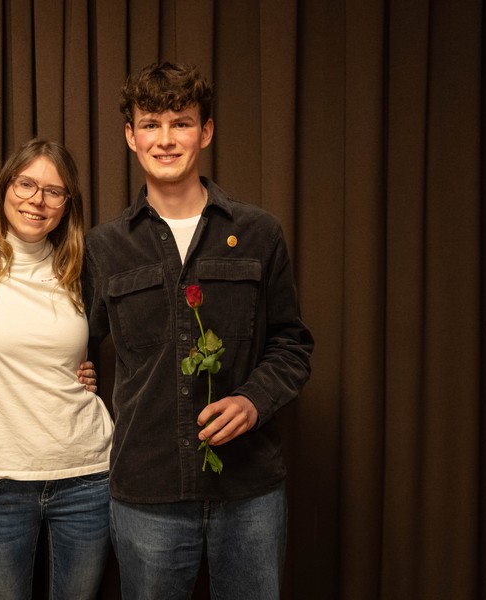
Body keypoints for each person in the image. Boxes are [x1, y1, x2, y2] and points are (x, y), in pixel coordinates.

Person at [83, 62, 314, 599]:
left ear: (205, 132)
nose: (166, 140)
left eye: (181, 123)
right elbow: (74, 337)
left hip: (248, 491)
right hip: (147, 493)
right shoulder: (105, 246)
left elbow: (292, 343)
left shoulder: (259, 232)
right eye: (151, 124)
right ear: (130, 137)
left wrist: (255, 399)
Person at [0, 138, 114, 599]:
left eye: (54, 191)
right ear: (5, 187)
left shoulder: (83, 267)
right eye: (26, 184)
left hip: (87, 475)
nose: (37, 200)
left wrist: (84, 371)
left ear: (68, 203)